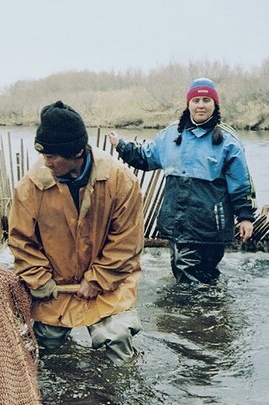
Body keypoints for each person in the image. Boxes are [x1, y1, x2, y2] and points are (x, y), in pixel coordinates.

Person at [8, 101, 144, 363]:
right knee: (43, 348)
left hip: (109, 284)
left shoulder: (121, 180)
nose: (45, 162)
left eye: (51, 156)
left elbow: (127, 243)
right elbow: (21, 241)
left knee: (117, 340)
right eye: (43, 155)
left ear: (77, 152)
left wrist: (97, 279)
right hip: (56, 285)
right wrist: (39, 279)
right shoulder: (30, 186)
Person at [109, 77, 257, 283]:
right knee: (185, 273)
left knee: (207, 273)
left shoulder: (228, 140)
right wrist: (121, 146)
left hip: (213, 222)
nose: (201, 105)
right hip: (180, 221)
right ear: (188, 104)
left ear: (215, 104)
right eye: (196, 100)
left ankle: (206, 313)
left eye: (206, 100)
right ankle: (194, 313)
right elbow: (145, 158)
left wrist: (245, 217)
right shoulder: (170, 134)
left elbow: (241, 184)